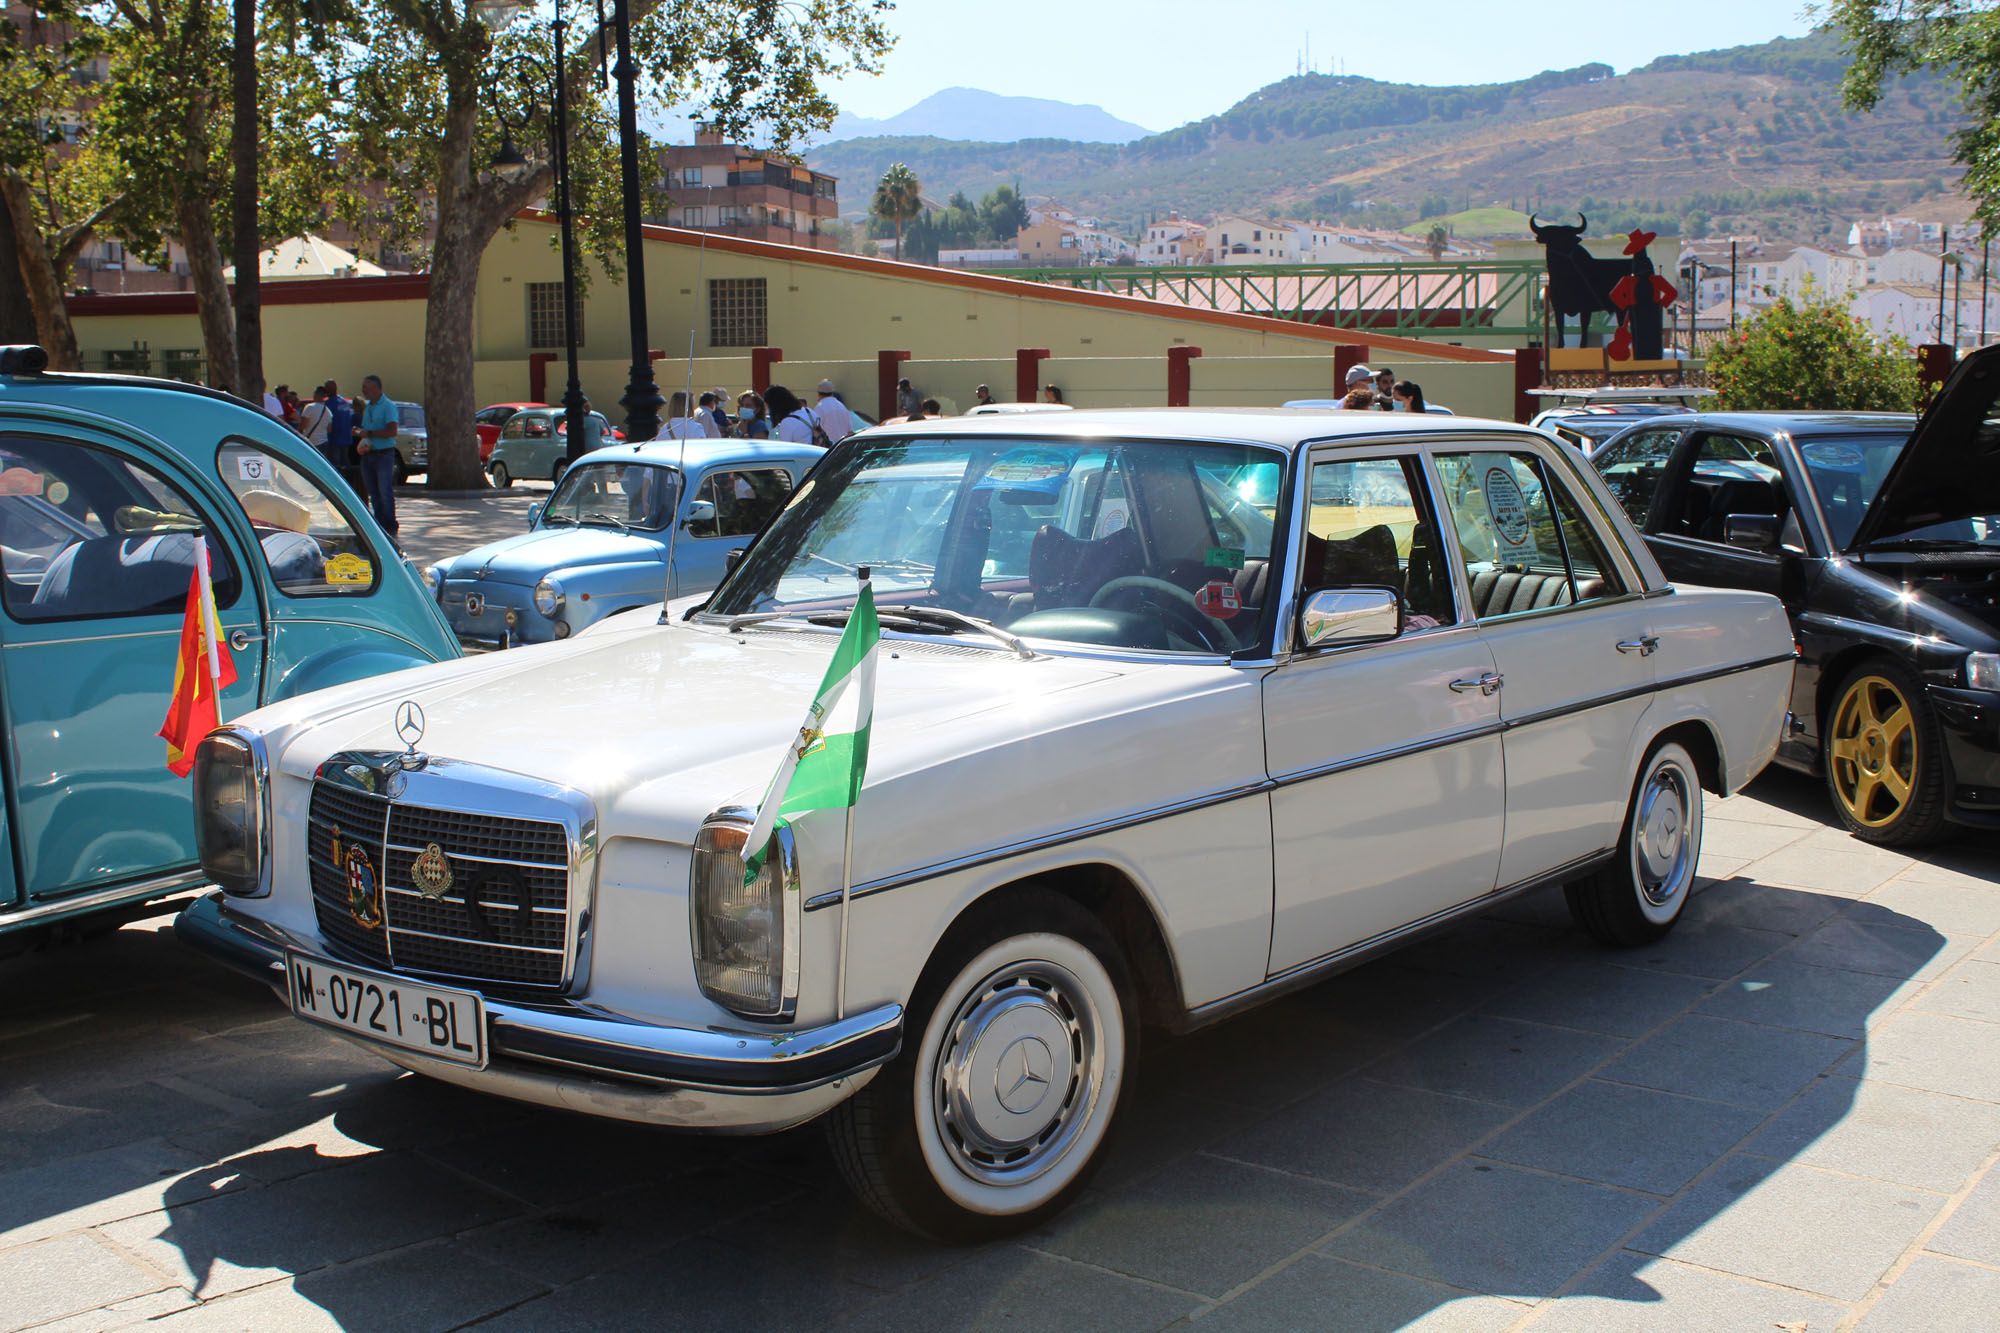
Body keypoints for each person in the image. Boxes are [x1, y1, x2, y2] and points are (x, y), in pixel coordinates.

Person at [353, 374, 400, 540]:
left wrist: (370, 433)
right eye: (363, 387)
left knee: (384, 491)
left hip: (384, 455)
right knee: (373, 492)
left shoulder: (388, 406)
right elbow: (367, 430)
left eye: (367, 387)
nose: (364, 390)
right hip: (369, 454)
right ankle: (379, 525)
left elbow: (392, 431)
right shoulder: (368, 407)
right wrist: (360, 434)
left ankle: (390, 525)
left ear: (377, 388)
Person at [299, 384, 335, 462]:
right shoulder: (328, 411)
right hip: (324, 442)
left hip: (311, 443)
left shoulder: (309, 407)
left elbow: (302, 426)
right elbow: (329, 429)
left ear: (316, 394)